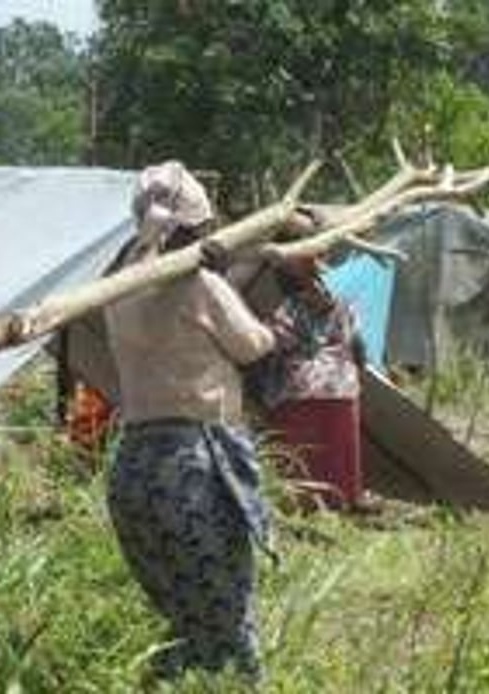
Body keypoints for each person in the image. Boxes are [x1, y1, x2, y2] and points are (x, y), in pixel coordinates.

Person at [103, 161, 275, 682]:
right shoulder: (201, 284)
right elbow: (254, 345)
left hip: (133, 469)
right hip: (195, 466)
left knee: (185, 617)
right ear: (196, 229)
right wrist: (229, 284)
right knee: (229, 615)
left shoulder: (115, 290)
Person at [261, 255, 371, 511]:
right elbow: (359, 348)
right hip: (341, 386)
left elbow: (271, 346)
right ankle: (345, 499)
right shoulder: (345, 303)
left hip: (299, 388)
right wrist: (356, 372)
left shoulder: (287, 309)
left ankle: (303, 503)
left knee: (303, 453)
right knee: (339, 452)